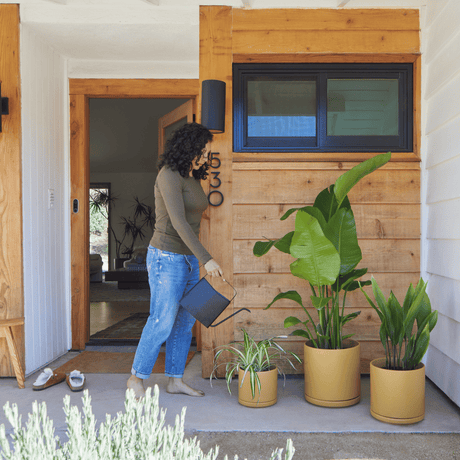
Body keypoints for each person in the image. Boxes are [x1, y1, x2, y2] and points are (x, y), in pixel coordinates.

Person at [127, 122, 223, 399]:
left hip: (189, 260)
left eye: (207, 153)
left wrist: (198, 259)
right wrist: (208, 259)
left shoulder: (191, 176)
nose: (205, 157)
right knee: (162, 320)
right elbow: (179, 222)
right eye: (202, 152)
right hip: (166, 258)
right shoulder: (168, 175)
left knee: (184, 323)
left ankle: (175, 380)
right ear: (188, 148)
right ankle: (136, 378)